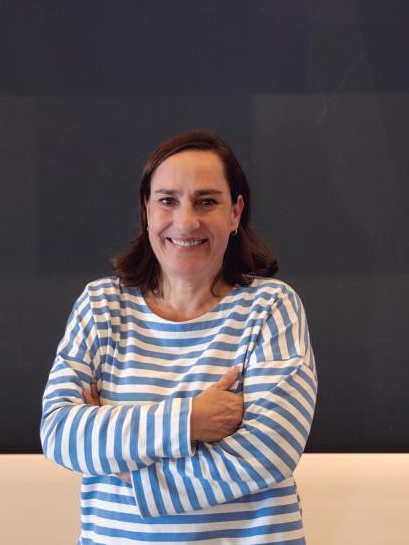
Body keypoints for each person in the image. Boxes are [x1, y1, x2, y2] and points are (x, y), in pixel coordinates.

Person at [41, 130, 317, 544]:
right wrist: (190, 420)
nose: (186, 221)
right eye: (168, 200)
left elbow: (268, 452)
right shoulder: (100, 306)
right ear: (146, 211)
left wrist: (125, 465)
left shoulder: (272, 308)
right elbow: (60, 431)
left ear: (235, 213)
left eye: (207, 201)